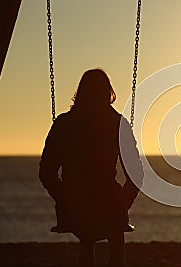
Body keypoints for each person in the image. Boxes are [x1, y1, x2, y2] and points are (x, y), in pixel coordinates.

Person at [39, 68, 144, 267]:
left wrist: (63, 197)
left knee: (86, 239)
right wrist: (124, 202)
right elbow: (136, 174)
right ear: (108, 93)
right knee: (116, 237)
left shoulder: (65, 123)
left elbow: (46, 172)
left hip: (75, 203)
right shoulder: (117, 124)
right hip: (109, 204)